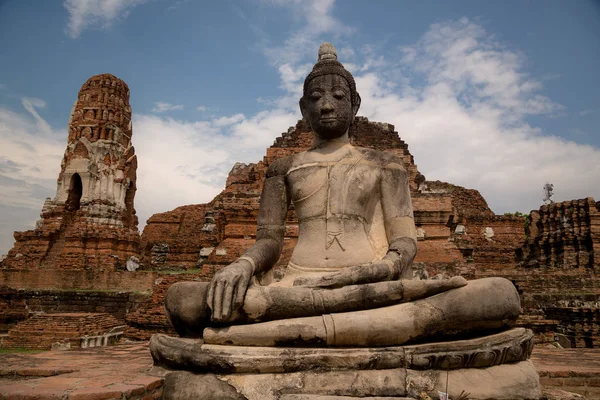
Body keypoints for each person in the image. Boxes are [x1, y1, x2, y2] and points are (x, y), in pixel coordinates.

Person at [158, 43, 518, 347]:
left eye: (337, 96)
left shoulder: (385, 165)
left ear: (355, 103)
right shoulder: (283, 168)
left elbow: (405, 240)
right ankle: (365, 334)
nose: (326, 105)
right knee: (183, 300)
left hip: (371, 287)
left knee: (498, 294)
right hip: (296, 287)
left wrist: (387, 267)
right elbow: (269, 242)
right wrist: (242, 265)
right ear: (303, 108)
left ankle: (280, 337)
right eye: (315, 98)